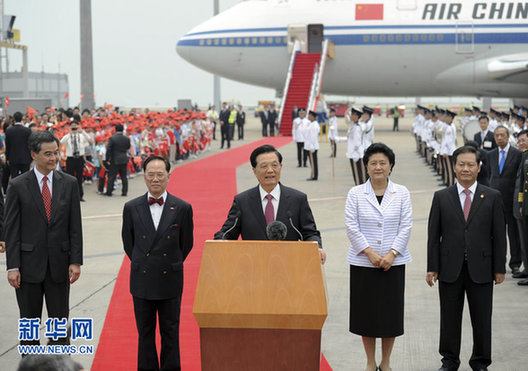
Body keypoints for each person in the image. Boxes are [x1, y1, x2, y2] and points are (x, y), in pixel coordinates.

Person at [427, 145, 506, 371]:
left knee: (482, 319)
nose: (465, 169)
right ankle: (449, 361)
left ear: (479, 168)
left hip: (481, 267)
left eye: (471, 164)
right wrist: (432, 267)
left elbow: (499, 236)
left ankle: (480, 361)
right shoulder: (442, 197)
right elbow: (434, 236)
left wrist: (499, 268)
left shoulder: (492, 197)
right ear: (454, 166)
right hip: (449, 267)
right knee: (449, 318)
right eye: (461, 164)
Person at [5, 130, 83, 349]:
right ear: (33, 154)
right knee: (29, 324)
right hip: (28, 267)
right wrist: (13, 266)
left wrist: (75, 260)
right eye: (47, 153)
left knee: (59, 324)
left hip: (59, 265)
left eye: (56, 153)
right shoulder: (18, 185)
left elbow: (75, 226)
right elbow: (12, 229)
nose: (54, 158)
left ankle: (59, 364)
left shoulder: (69, 183)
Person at [122, 155, 194, 371]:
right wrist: (144, 261)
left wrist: (170, 262)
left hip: (169, 279)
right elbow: (129, 244)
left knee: (170, 332)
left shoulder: (182, 207)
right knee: (145, 333)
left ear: (168, 176)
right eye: (151, 174)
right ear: (144, 177)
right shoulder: (131, 207)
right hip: (142, 280)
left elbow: (186, 244)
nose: (155, 179)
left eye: (160, 174)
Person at [345, 143, 412, 371]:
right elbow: (351, 226)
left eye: (383, 162)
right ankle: (370, 361)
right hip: (364, 263)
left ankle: (386, 362)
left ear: (391, 166)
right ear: (366, 167)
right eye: (373, 163)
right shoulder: (355, 193)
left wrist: (392, 253)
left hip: (393, 264)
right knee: (367, 315)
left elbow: (406, 226)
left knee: (390, 316)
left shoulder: (401, 192)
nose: (378, 167)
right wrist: (370, 253)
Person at [214, 144, 325, 263]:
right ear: (254, 171)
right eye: (264, 166)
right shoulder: (242, 201)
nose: (270, 170)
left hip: (290, 266)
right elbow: (227, 232)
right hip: (254, 267)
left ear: (281, 167)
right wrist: (220, 241)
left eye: (274, 165)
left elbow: (309, 233)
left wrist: (316, 247)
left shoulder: (297, 199)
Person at [488, 125, 522, 275]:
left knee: (514, 235)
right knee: (496, 235)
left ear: (508, 137)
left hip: (511, 201)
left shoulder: (517, 154)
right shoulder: (491, 154)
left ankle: (515, 263)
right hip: (495, 202)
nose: (499, 138)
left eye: (502, 135)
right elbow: (491, 175)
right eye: (497, 136)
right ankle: (498, 262)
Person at [60, 120, 93, 202]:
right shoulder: (67, 137)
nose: (74, 128)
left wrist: (82, 131)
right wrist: (69, 133)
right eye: (73, 127)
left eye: (76, 126)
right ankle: (69, 196)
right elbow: (61, 142)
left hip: (80, 159)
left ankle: (80, 196)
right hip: (70, 159)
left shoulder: (81, 136)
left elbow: (90, 141)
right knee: (69, 178)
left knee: (79, 177)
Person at [105, 124, 131, 197]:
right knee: (124, 176)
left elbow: (109, 149)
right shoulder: (126, 139)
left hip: (115, 159)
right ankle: (124, 192)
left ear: (115, 129)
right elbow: (128, 147)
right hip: (124, 158)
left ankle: (109, 191)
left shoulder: (112, 138)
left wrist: (107, 159)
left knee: (112, 176)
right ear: (123, 130)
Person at [516, 130, 528, 285]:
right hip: (526, 205)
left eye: (524, 140)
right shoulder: (525, 156)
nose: (521, 143)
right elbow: (522, 185)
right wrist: (520, 204)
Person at [5, 111, 32, 178]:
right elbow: (30, 144)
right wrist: (31, 158)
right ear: (22, 119)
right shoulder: (27, 130)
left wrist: (7, 158)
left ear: (14, 119)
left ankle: (16, 189)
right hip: (25, 158)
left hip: (13, 158)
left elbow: (7, 145)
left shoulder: (9, 131)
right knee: (25, 178)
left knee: (15, 178)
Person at [346, 107, 366, 185]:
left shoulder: (357, 127)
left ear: (356, 116)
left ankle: (362, 193)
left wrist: (355, 154)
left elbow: (357, 142)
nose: (350, 116)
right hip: (353, 153)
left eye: (352, 114)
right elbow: (350, 139)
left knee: (359, 176)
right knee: (356, 175)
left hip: (357, 154)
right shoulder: (353, 126)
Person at [304, 110, 320, 181]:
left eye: (309, 115)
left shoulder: (314, 125)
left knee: (313, 162)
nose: (308, 117)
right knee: (312, 162)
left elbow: (313, 137)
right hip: (309, 146)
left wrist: (312, 146)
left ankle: (314, 176)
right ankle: (313, 174)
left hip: (312, 147)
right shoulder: (311, 124)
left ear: (313, 117)